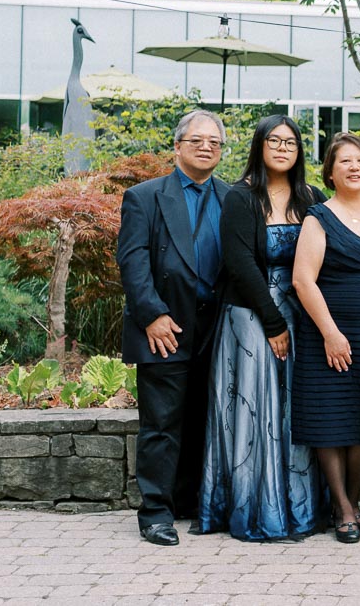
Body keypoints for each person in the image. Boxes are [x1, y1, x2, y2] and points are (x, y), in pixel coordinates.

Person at [200, 115, 327, 541]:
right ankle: (256, 508)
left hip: (304, 313)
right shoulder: (240, 197)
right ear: (260, 146)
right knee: (257, 409)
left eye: (291, 142)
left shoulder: (313, 198)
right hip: (252, 316)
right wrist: (273, 323)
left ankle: (301, 507)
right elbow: (239, 264)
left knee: (297, 408)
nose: (282, 148)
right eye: (274, 140)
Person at [118, 109, 230, 546]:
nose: (206, 147)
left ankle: (189, 501)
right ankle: (155, 512)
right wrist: (152, 313)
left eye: (215, 142)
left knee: (206, 416)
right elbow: (132, 260)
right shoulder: (144, 196)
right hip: (165, 323)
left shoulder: (231, 196)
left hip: (216, 326)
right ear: (178, 145)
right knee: (162, 422)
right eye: (197, 140)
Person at [292, 133, 360, 544]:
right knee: (330, 421)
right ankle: (342, 508)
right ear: (330, 172)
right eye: (345, 162)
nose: (354, 167)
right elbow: (304, 280)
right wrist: (331, 334)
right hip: (328, 332)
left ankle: (350, 503)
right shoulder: (318, 217)